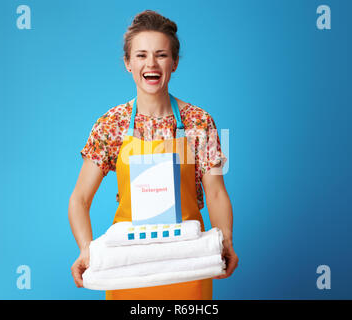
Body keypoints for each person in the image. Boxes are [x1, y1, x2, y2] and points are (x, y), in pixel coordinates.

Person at [68, 9, 238, 300]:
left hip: (188, 262)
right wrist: (86, 248)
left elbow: (216, 194)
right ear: (127, 63)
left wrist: (226, 240)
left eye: (161, 55)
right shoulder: (112, 124)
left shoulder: (199, 122)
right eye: (141, 55)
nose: (151, 63)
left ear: (174, 63)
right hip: (128, 265)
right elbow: (79, 199)